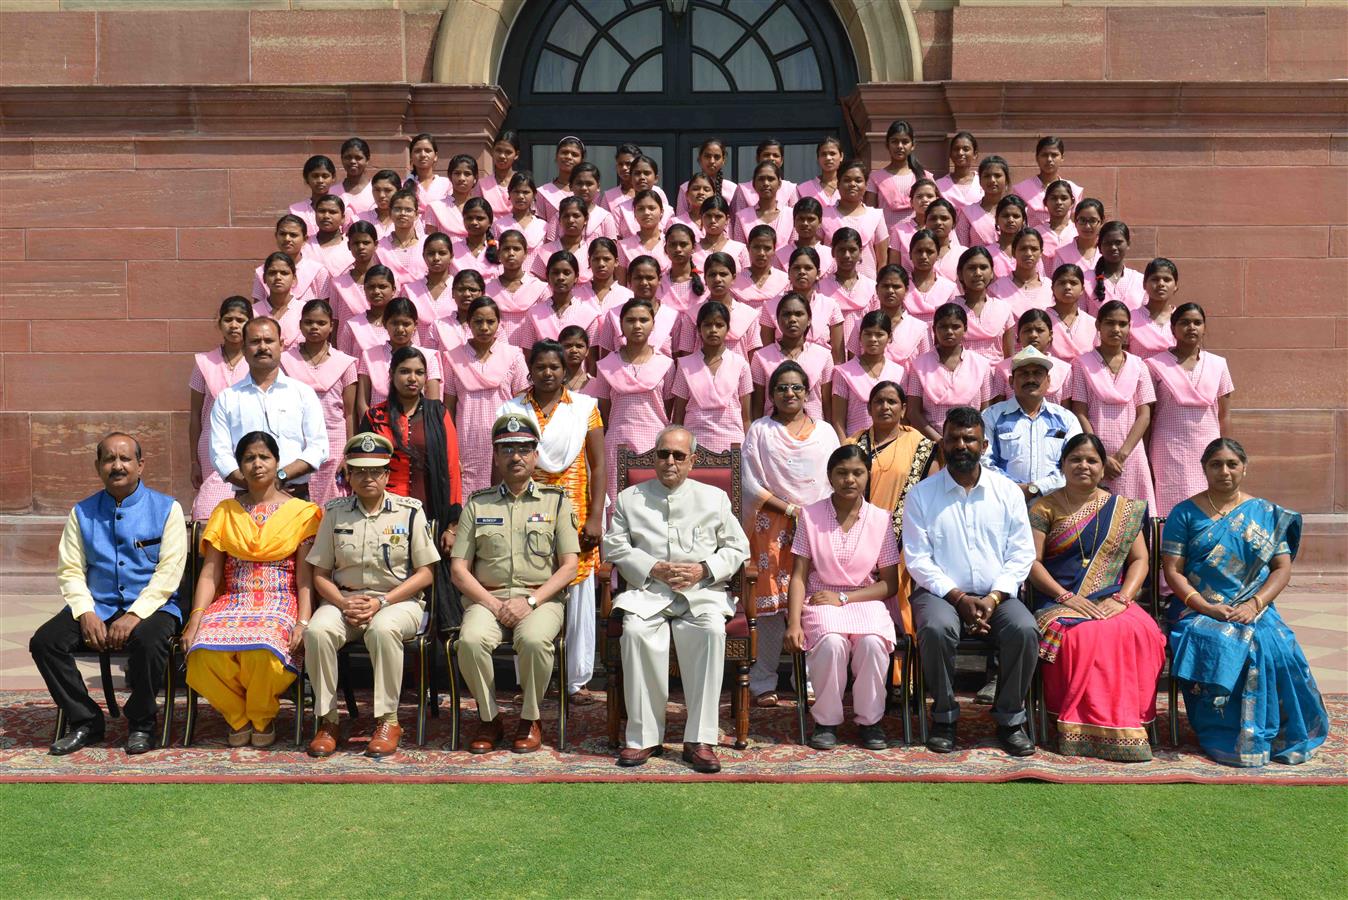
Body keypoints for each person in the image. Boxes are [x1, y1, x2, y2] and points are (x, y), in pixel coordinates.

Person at [1162, 438, 1329, 767]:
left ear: (1244, 468)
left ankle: (1283, 733)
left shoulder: (1265, 513)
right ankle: (1230, 736)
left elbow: (1282, 568)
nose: (1224, 471)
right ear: (1204, 469)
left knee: (1277, 643)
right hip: (1197, 609)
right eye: (1215, 464)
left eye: (1232, 464)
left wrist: (1255, 604)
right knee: (1227, 642)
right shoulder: (1184, 513)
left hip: (1254, 606)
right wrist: (1206, 607)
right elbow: (1173, 571)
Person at [604, 426, 750, 772]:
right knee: (636, 633)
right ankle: (643, 739)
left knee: (712, 632)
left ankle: (700, 740)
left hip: (700, 595)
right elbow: (613, 545)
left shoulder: (713, 498)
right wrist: (651, 567)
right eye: (663, 454)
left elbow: (738, 547)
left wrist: (704, 569)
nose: (670, 461)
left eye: (679, 455)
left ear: (692, 461)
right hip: (648, 592)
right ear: (654, 457)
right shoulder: (630, 498)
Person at [32, 433, 185, 755]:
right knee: (45, 642)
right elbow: (71, 569)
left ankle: (142, 723)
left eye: (125, 459)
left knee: (150, 640)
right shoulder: (82, 512)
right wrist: (85, 612)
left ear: (140, 465)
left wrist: (134, 615)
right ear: (98, 467)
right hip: (97, 604)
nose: (117, 466)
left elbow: (169, 573)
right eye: (109, 460)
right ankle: (86, 721)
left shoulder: (167, 509)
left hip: (153, 605)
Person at [902, 406, 1038, 756]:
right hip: (941, 595)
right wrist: (959, 598)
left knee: (1024, 630)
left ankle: (1010, 718)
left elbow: (1022, 554)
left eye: (969, 439)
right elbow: (918, 559)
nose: (961, 445)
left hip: (999, 596)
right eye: (953, 439)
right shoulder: (921, 495)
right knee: (935, 629)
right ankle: (945, 716)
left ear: (984, 444)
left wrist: (993, 598)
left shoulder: (1006, 492)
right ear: (942, 444)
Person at [1027, 434, 1164, 761]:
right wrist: (1065, 596)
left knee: (1141, 634)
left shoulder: (1124, 509)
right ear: (1062, 466)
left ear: (1104, 468)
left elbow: (1140, 561)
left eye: (1091, 460)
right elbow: (1030, 562)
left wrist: (1123, 598)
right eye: (1075, 459)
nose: (1083, 466)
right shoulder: (1043, 507)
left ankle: (1129, 727)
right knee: (1085, 637)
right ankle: (1079, 729)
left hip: (1114, 598)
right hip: (1058, 600)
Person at [304, 433, 440, 759]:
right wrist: (342, 602)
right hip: (345, 600)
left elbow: (426, 573)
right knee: (318, 631)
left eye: (375, 471)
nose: (368, 477)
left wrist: (382, 602)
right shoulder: (335, 513)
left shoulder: (409, 512)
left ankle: (388, 721)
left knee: (383, 629)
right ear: (348, 474)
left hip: (397, 602)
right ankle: (328, 720)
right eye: (359, 471)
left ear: (387, 475)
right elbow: (319, 574)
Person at [182, 432, 322, 747]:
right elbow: (210, 571)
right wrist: (195, 619)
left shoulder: (302, 512)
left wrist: (303, 621)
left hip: (280, 598)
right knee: (202, 652)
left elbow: (305, 577)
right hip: (233, 599)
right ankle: (238, 717)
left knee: (263, 648)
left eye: (264, 457)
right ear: (240, 467)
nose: (257, 464)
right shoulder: (225, 511)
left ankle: (261, 716)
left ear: (277, 463)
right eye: (249, 458)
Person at [451, 415, 581, 754]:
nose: (516, 456)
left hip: (540, 599)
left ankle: (529, 718)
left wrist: (532, 602)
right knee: (470, 640)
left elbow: (569, 567)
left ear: (536, 455)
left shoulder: (556, 501)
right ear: (495, 456)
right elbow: (459, 571)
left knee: (536, 640)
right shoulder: (478, 504)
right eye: (506, 448)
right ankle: (489, 717)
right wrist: (495, 605)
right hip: (488, 598)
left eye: (524, 448)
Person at [498, 341, 606, 702]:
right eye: (540, 366)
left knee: (576, 593)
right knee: (526, 587)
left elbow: (599, 464)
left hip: (574, 510)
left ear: (566, 370)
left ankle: (576, 681)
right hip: (525, 508)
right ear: (530, 369)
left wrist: (594, 517)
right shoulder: (513, 409)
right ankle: (530, 679)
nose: (548, 373)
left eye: (554, 367)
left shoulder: (585, 408)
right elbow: (503, 462)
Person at [785, 445, 902, 751]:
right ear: (830, 476)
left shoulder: (880, 519)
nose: (849, 479)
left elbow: (889, 584)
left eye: (857, 473)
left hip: (863, 599)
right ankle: (826, 722)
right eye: (842, 473)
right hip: (821, 599)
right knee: (832, 643)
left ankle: (871, 721)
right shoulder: (809, 516)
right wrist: (793, 623)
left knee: (873, 643)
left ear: (868, 476)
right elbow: (798, 575)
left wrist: (847, 598)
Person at [742, 362, 840, 707]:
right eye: (782, 388)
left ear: (807, 392)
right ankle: (764, 681)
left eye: (796, 387)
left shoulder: (826, 432)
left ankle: (811, 681)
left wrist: (813, 515)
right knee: (770, 609)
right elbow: (749, 483)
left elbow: (835, 478)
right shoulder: (760, 430)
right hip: (771, 525)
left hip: (816, 527)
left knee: (813, 605)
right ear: (771, 394)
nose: (789, 393)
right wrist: (789, 509)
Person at [359, 346, 464, 628]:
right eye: (404, 371)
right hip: (383, 516)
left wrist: (452, 525)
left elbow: (452, 469)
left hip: (428, 515)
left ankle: (428, 668)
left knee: (428, 590)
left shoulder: (437, 413)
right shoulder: (374, 416)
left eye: (419, 372)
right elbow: (362, 469)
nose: (412, 378)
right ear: (391, 375)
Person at [845, 381, 937, 638]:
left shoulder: (922, 446)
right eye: (878, 402)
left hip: (906, 543)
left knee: (905, 609)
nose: (885, 407)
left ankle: (902, 675)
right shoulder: (853, 445)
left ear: (904, 408)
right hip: (860, 542)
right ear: (869, 407)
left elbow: (931, 495)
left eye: (892, 402)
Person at [209, 317, 328, 501]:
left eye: (269, 341)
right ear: (243, 347)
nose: (263, 347)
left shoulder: (303, 393)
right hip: (246, 497)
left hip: (294, 496)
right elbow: (219, 453)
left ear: (281, 344)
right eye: (255, 341)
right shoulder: (228, 398)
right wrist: (253, 484)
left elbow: (318, 448)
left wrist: (281, 477)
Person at [1147, 302, 1233, 517]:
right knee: (1171, 503)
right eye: (1184, 322)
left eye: (1197, 322)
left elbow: (1225, 414)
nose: (1191, 327)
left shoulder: (1218, 364)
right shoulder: (1153, 365)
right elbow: (1147, 414)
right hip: (1168, 447)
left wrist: (1226, 450)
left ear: (1204, 327)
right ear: (1173, 328)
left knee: (1210, 502)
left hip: (1208, 445)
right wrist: (1146, 452)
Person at [1068, 300, 1157, 508]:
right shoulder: (1081, 364)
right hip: (1093, 456)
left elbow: (1144, 414)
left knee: (1134, 515)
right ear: (1098, 325)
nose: (1116, 329)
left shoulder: (1139, 365)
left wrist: (1121, 455)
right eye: (1109, 323)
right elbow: (1079, 411)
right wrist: (1101, 456)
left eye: (1122, 324)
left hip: (1131, 455)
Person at [441, 297, 531, 495]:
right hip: (467, 441)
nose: (484, 327)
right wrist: (451, 451)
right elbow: (448, 407)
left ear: (499, 323)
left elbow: (524, 402)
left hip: (506, 437)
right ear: (468, 323)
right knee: (468, 497)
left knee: (505, 495)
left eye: (490, 322)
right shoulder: (453, 358)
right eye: (478, 321)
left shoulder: (514, 355)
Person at [592, 298, 675, 507]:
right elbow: (604, 411)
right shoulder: (606, 365)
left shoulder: (666, 364)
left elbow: (669, 407)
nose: (637, 325)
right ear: (621, 325)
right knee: (617, 504)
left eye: (643, 320)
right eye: (630, 320)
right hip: (616, 443)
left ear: (653, 324)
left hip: (655, 443)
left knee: (653, 504)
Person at [981, 346, 1082, 502]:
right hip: (1003, 502)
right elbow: (983, 460)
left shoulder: (1066, 419)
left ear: (1048, 380)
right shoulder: (991, 416)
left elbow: (1076, 461)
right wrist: (1015, 490)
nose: (1031, 379)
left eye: (1038, 374)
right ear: (1011, 381)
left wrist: (1037, 488)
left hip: (1055, 504)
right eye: (1023, 374)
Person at [282, 300, 357, 506]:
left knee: (334, 499)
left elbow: (349, 413)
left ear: (331, 326)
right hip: (297, 439)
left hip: (334, 439)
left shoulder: (345, 363)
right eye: (309, 322)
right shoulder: (285, 361)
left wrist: (348, 453)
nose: (314, 327)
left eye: (321, 323)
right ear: (300, 324)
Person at [190, 297, 253, 520]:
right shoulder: (203, 363)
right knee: (212, 505)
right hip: (210, 446)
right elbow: (195, 415)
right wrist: (193, 462)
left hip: (249, 443)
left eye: (240, 320)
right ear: (219, 323)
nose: (234, 325)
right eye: (228, 319)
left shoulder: (257, 361)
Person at [903, 303, 993, 443]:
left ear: (965, 329)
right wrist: (939, 441)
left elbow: (986, 411)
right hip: (930, 442)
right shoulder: (919, 366)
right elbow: (913, 412)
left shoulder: (981, 365)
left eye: (955, 326)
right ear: (934, 329)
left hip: (970, 442)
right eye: (943, 327)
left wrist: (968, 440)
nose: (949, 331)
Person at [671, 301, 753, 452]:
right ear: (698, 329)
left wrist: (749, 449)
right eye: (707, 325)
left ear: (727, 328)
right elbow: (678, 416)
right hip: (694, 443)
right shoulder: (685, 365)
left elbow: (746, 417)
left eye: (719, 325)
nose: (713, 330)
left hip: (733, 443)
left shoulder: (741, 365)